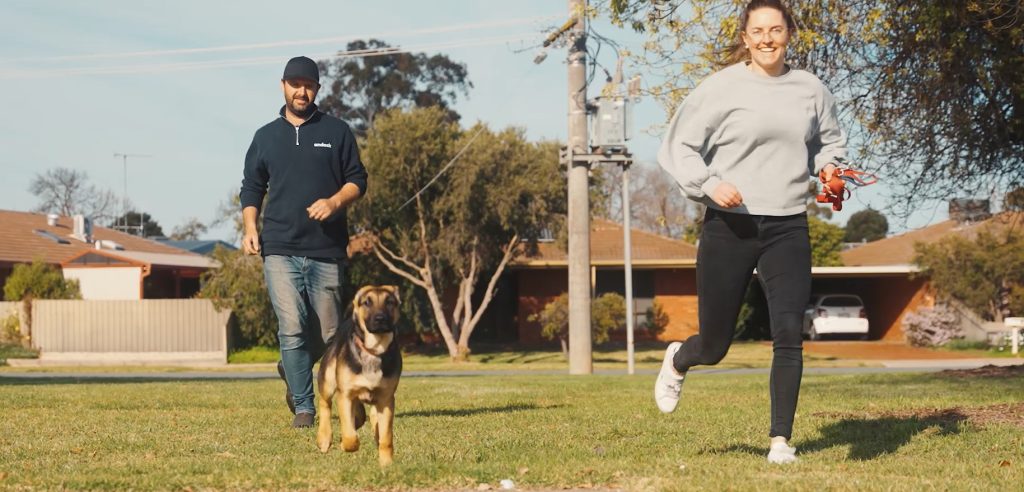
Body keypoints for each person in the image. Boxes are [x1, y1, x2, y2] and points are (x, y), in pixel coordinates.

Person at [652, 0, 845, 464]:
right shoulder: (720, 88)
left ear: (789, 34)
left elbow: (827, 143)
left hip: (787, 225)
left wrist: (831, 169)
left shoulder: (810, 89)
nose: (766, 39)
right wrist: (710, 184)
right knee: (715, 345)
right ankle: (679, 359)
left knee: (788, 334)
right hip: (730, 225)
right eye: (757, 31)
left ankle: (781, 441)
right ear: (744, 38)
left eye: (775, 30)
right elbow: (679, 147)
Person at [240, 56, 368, 428]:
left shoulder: (338, 130)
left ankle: (291, 365)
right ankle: (305, 407)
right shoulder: (265, 136)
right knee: (291, 325)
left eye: (308, 84)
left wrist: (334, 201)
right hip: (278, 246)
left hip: (326, 249)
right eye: (295, 83)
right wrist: (251, 227)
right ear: (283, 85)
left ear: (317, 89)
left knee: (329, 334)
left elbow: (357, 179)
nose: (301, 90)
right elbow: (251, 186)